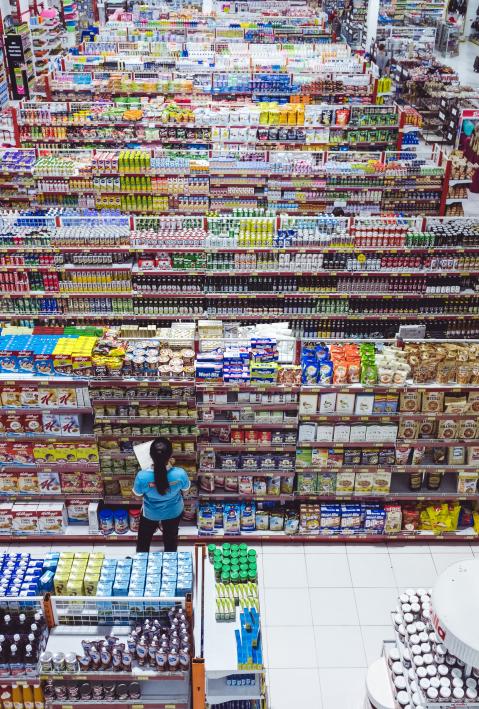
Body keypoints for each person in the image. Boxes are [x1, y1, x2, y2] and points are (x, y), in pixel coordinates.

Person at [132, 437, 190, 553]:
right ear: (170, 455)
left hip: (151, 513)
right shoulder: (180, 474)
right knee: (171, 538)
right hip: (173, 511)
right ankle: (171, 561)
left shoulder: (142, 476)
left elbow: (137, 497)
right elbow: (185, 492)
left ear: (150, 456)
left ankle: (142, 562)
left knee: (144, 539)